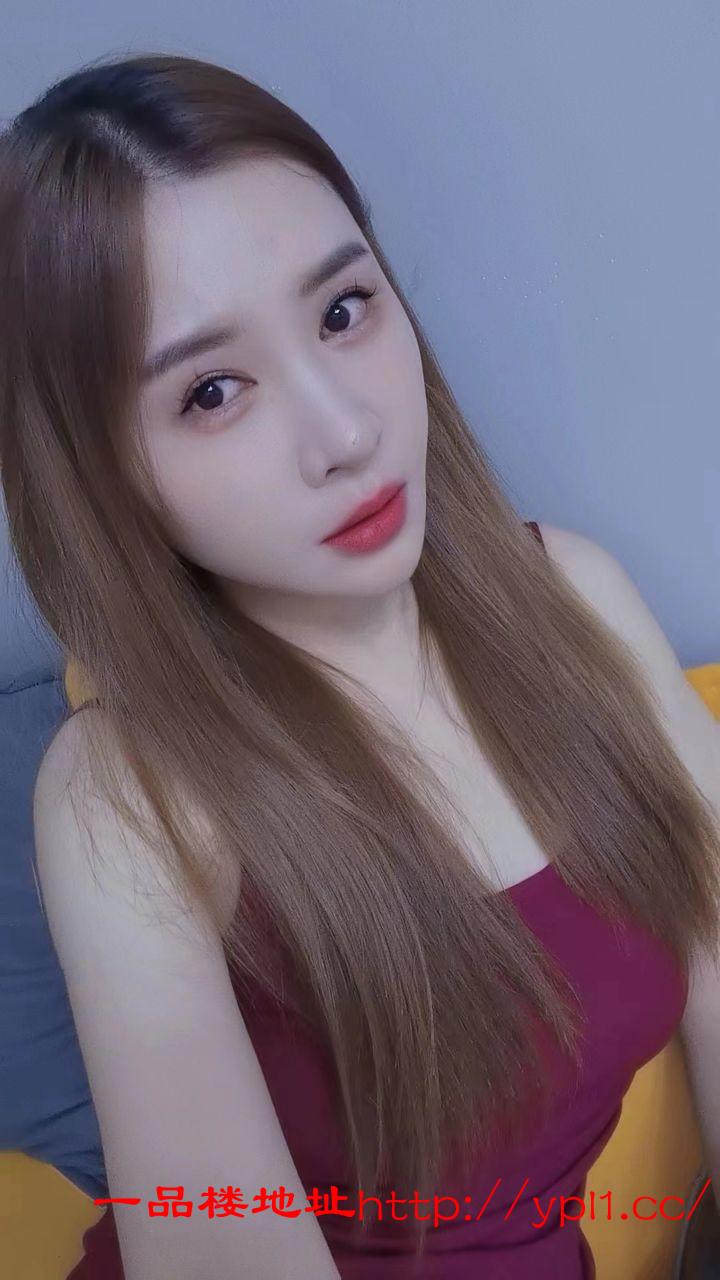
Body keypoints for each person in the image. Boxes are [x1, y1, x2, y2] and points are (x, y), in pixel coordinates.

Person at [1, 50, 719, 1280]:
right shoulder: (127, 792)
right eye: (213, 390)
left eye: (343, 311)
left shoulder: (576, 597)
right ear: (100, 468)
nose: (345, 431)